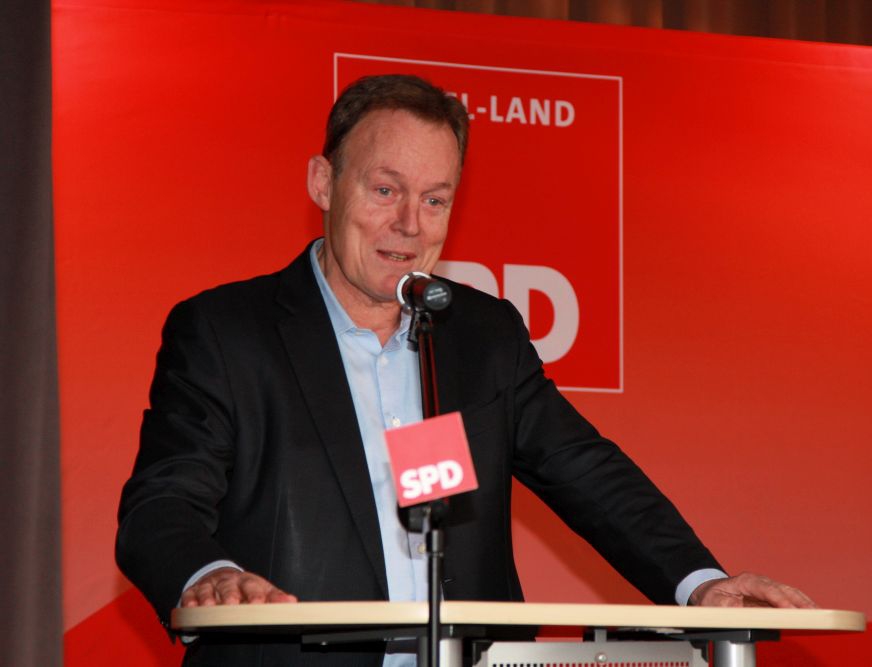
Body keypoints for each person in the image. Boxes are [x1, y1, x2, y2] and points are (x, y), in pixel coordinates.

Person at [116, 74, 814, 666]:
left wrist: (699, 583)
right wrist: (213, 576)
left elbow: (588, 472)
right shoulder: (228, 332)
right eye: (385, 190)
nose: (410, 224)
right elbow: (160, 507)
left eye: (435, 199)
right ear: (323, 183)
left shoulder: (481, 335)